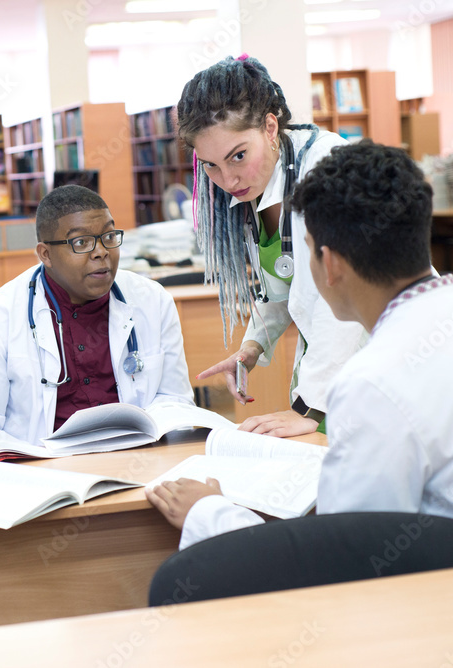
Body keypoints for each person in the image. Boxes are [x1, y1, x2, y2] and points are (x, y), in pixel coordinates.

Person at [147, 141, 453, 561]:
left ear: (330, 263)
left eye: (305, 248)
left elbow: (339, 557)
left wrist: (208, 513)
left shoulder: (371, 381)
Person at [178, 55, 367, 437]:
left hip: (371, 366)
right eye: (210, 165)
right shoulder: (255, 192)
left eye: (238, 156)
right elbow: (282, 285)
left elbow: (345, 296)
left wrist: (308, 409)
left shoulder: (327, 169)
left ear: (269, 126)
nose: (228, 179)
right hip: (328, 376)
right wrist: (251, 348)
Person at [0, 184, 193, 446]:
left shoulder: (153, 300)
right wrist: (37, 462)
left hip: (140, 457)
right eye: (81, 242)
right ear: (46, 254)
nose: (101, 252)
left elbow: (175, 399)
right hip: (42, 470)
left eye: (109, 236)